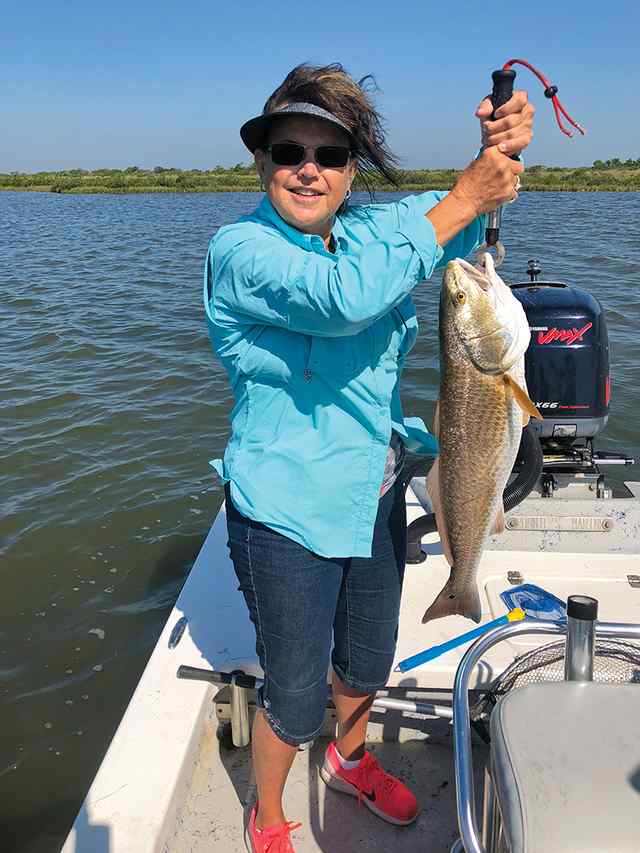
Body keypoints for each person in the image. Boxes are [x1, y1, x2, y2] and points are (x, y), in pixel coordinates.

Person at [204, 63, 534, 852]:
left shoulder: (373, 231)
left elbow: (463, 208)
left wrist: (498, 155)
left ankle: (349, 759)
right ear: (265, 164)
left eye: (329, 153)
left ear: (352, 171)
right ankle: (270, 810)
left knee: (366, 656)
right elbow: (345, 299)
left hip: (377, 491)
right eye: (289, 151)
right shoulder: (242, 249)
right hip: (286, 512)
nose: (308, 167)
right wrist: (465, 194)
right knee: (289, 689)